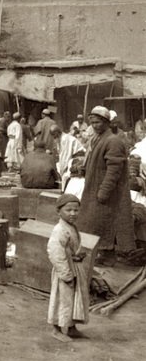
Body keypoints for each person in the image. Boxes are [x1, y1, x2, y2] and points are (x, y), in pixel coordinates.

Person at [77, 106, 136, 265]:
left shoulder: (113, 141)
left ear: (106, 122)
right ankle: (102, 253)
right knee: (98, 222)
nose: (94, 126)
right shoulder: (99, 138)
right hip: (96, 186)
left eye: (97, 122)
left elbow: (114, 170)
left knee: (105, 222)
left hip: (107, 191)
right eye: (92, 123)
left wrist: (104, 191)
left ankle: (107, 255)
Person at [47, 193, 89, 342]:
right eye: (68, 210)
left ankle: (71, 327)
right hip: (65, 270)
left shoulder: (72, 227)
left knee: (75, 298)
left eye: (76, 210)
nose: (73, 213)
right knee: (62, 299)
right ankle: (56, 329)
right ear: (59, 211)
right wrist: (65, 273)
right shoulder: (59, 230)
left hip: (75, 267)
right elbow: (55, 252)